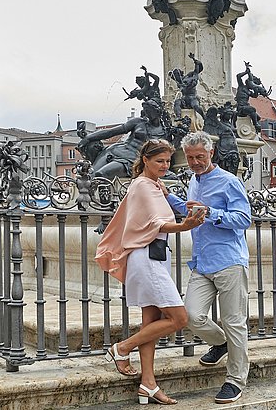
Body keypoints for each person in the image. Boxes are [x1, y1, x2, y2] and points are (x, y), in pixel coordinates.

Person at [94, 139, 206, 405]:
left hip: (154, 258)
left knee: (151, 324)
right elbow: (157, 224)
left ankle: (148, 384)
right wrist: (184, 226)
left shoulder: (153, 186)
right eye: (159, 161)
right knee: (179, 318)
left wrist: (173, 200)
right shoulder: (143, 186)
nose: (165, 166)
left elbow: (156, 215)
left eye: (168, 161)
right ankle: (121, 348)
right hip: (147, 259)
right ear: (145, 160)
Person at [162, 131, 251, 404]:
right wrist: (168, 197)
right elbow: (192, 209)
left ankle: (235, 381)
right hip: (202, 263)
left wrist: (211, 213)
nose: (195, 162)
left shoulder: (229, 182)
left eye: (200, 157)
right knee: (190, 315)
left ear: (211, 153)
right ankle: (220, 342)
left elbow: (244, 219)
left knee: (235, 322)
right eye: (190, 158)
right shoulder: (193, 180)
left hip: (229, 262)